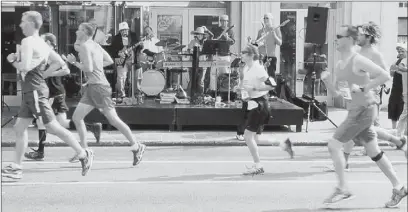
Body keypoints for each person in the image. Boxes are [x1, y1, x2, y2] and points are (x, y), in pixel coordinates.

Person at [320, 25, 407, 207]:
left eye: (339, 36)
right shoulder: (339, 63)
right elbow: (336, 93)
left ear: (350, 39)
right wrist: (327, 82)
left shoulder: (358, 59)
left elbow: (384, 75)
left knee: (334, 144)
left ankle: (343, 188)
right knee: (374, 152)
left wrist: (363, 88)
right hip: (354, 108)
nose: (336, 39)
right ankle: (398, 187)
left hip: (364, 108)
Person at [2, 11, 94, 179]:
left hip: (35, 90)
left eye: (23, 22)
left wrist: (11, 60)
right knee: (19, 127)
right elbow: (59, 62)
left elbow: (24, 67)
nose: (20, 25)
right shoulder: (42, 44)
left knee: (52, 127)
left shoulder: (28, 41)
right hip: (34, 89)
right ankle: (16, 167)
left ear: (31, 23)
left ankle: (83, 153)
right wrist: (43, 70)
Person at [65, 22, 146, 166]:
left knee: (114, 120)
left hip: (99, 88)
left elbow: (88, 67)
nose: (76, 31)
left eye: (79, 30)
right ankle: (83, 151)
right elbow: (108, 61)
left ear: (84, 31)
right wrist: (95, 70)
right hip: (94, 86)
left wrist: (74, 62)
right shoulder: (96, 45)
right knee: (77, 118)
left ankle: (136, 145)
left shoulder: (85, 46)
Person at [24, 33, 103, 162]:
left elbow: (66, 70)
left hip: (54, 91)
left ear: (50, 43)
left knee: (41, 122)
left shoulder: (53, 56)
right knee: (61, 123)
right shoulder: (45, 54)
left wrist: (48, 74)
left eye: (44, 41)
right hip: (54, 91)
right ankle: (92, 127)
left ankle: (40, 151)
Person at [237, 44, 277, 175]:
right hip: (253, 104)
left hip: (260, 105)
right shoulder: (247, 68)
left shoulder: (257, 68)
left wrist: (255, 89)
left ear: (250, 55)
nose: (241, 55)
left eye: (243, 53)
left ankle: (258, 166)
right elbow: (246, 85)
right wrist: (240, 88)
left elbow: (272, 85)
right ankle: (283, 143)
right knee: (256, 139)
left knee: (248, 137)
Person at [110, 22, 144, 103]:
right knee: (121, 78)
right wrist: (118, 54)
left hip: (134, 59)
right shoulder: (116, 38)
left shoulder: (134, 35)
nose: (124, 32)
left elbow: (139, 47)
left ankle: (138, 94)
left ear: (128, 30)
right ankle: (122, 95)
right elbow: (111, 50)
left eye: (125, 30)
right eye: (122, 30)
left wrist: (141, 45)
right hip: (122, 61)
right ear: (120, 31)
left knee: (137, 77)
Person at [209, 15, 235, 95]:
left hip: (226, 56)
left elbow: (232, 42)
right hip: (216, 55)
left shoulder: (230, 31)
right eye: (222, 21)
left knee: (225, 74)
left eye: (225, 21)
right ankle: (213, 92)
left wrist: (227, 38)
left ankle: (225, 92)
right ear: (220, 21)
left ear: (228, 22)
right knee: (213, 74)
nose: (224, 22)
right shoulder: (216, 30)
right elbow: (212, 40)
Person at [251, 13, 282, 80]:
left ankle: (271, 90)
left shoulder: (276, 29)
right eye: (264, 18)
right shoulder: (261, 31)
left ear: (271, 19)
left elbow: (279, 43)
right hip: (261, 56)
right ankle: (262, 90)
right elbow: (256, 44)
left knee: (271, 77)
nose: (265, 19)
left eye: (267, 18)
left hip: (271, 56)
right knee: (261, 76)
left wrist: (274, 35)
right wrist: (256, 42)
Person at [187, 26, 213, 95]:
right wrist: (193, 50)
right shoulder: (192, 42)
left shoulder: (206, 43)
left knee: (200, 82)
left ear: (203, 35)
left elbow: (212, 36)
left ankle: (200, 97)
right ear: (196, 34)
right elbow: (189, 51)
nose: (200, 35)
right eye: (198, 34)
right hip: (193, 64)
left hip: (203, 64)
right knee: (192, 81)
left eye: (201, 34)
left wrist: (207, 29)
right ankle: (190, 96)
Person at [394, 43, 407, 137]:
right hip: (406, 92)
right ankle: (398, 136)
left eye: (403, 51)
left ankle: (399, 135)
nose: (401, 53)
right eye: (399, 51)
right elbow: (401, 68)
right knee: (405, 113)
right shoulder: (403, 61)